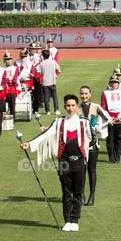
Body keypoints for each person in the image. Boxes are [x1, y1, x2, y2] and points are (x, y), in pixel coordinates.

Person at [21, 94, 93, 231]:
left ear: (77, 107)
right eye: (68, 106)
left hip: (79, 161)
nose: (70, 108)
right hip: (64, 161)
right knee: (66, 191)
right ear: (65, 107)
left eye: (73, 105)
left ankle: (75, 220)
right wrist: (29, 144)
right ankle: (67, 220)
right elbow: (46, 135)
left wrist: (86, 152)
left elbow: (93, 139)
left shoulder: (84, 122)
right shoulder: (59, 121)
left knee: (78, 191)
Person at [79, 85, 114, 206]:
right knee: (81, 171)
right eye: (82, 94)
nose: (84, 96)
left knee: (91, 170)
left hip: (93, 143)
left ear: (90, 94)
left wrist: (104, 124)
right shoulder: (76, 108)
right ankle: (81, 196)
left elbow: (108, 117)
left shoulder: (95, 107)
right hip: (80, 144)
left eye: (86, 93)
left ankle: (91, 196)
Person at [101, 76, 121, 163]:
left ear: (118, 83)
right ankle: (111, 157)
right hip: (109, 118)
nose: (114, 84)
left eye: (115, 82)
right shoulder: (105, 93)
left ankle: (117, 157)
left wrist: (117, 118)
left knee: (118, 138)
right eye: (112, 82)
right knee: (110, 139)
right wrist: (109, 119)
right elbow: (103, 107)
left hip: (120, 118)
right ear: (109, 83)